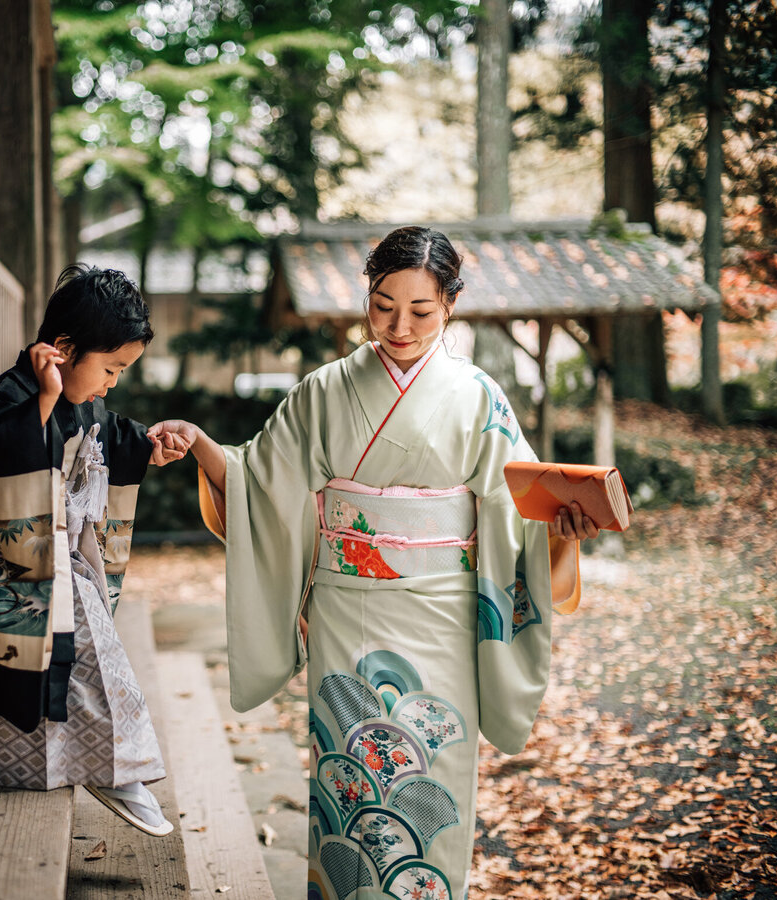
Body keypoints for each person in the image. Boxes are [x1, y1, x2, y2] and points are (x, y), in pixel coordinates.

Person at [149, 226, 598, 897]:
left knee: (433, 772)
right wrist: (204, 446)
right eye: (384, 305)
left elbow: (515, 513)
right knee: (349, 773)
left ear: (450, 304)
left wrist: (560, 532)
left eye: (421, 310)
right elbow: (260, 479)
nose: (400, 325)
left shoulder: (479, 398)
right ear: (367, 296)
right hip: (345, 612)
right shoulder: (325, 391)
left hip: (443, 616)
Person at [0, 264, 189, 837]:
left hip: (51, 565)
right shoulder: (3, 405)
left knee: (86, 624)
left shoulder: (73, 398)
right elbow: (7, 492)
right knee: (76, 621)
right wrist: (40, 406)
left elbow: (108, 433)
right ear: (64, 349)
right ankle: (116, 767)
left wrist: (148, 447)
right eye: (111, 368)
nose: (112, 383)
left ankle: (112, 764)